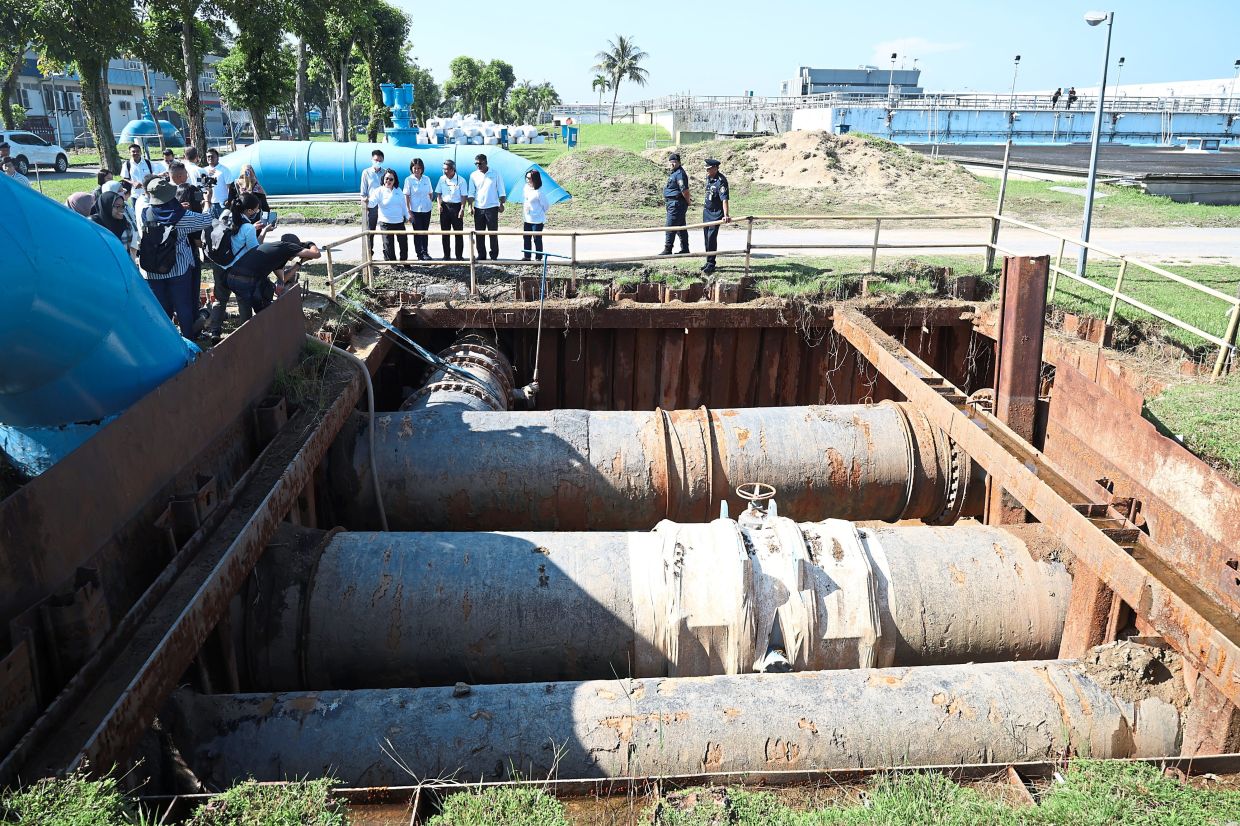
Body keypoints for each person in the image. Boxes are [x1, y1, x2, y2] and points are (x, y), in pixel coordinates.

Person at [139, 178, 214, 339]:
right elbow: (206, 220)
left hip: (153, 270)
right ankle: (188, 340)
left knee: (162, 309)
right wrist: (207, 201)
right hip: (178, 268)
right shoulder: (182, 216)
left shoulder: (145, 212)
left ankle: (165, 341)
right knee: (183, 307)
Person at [226, 233, 321, 320]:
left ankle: (250, 328)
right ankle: (266, 321)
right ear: (293, 246)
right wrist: (310, 244)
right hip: (246, 281)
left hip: (232, 279)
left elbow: (284, 278)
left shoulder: (277, 252)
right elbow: (316, 254)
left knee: (251, 307)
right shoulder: (286, 246)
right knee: (267, 293)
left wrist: (300, 262)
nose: (296, 255)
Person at [468, 153, 505, 261]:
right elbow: (471, 192)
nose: (478, 166)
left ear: (486, 162)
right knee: (479, 233)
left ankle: (494, 255)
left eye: (480, 163)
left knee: (492, 232)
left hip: (492, 207)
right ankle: (481, 255)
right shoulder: (473, 175)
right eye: (476, 164)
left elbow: (501, 189)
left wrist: (502, 204)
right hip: (479, 207)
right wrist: (470, 206)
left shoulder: (495, 173)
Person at [369, 167, 410, 261]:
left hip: (399, 222)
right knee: (389, 245)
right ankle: (393, 263)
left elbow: (403, 205)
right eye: (386, 178)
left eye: (391, 179)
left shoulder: (398, 190)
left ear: (394, 180)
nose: (388, 181)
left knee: (403, 243)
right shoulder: (379, 191)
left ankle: (405, 262)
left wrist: (408, 216)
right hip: (385, 223)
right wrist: (366, 201)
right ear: (383, 179)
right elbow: (372, 203)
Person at [700, 158, 730, 276]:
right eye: (706, 169)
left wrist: (726, 215)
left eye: (709, 169)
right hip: (707, 212)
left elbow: (724, 199)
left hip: (716, 213)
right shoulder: (709, 178)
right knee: (706, 238)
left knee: (711, 237)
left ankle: (711, 263)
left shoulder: (721, 181)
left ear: (715, 168)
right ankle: (708, 261)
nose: (707, 171)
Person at [434, 159, 468, 260]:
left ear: (453, 169)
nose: (445, 171)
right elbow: (438, 194)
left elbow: (464, 196)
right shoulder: (441, 179)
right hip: (445, 207)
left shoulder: (461, 180)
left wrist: (462, 209)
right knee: (445, 233)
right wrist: (439, 205)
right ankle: (446, 255)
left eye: (447, 169)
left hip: (456, 207)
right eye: (443, 169)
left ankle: (459, 256)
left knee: (458, 233)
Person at [402, 158, 434, 261]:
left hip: (426, 209)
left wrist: (429, 202)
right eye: (415, 168)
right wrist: (408, 211)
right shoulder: (409, 180)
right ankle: (419, 254)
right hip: (415, 210)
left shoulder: (426, 179)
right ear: (411, 169)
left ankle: (425, 252)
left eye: (419, 168)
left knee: (425, 232)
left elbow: (430, 192)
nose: (417, 170)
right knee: (418, 232)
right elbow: (406, 196)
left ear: (422, 168)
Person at [660, 152, 691, 255]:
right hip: (672, 203)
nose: (672, 164)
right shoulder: (674, 173)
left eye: (674, 162)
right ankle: (685, 249)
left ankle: (668, 249)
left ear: (678, 162)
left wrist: (688, 201)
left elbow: (684, 190)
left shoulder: (679, 174)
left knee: (670, 226)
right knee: (681, 227)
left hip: (676, 204)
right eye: (670, 162)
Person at [359, 149, 385, 258]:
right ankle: (369, 254)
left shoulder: (385, 172)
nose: (377, 162)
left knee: (385, 231)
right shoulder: (366, 172)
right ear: (372, 159)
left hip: (384, 205)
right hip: (372, 205)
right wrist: (366, 203)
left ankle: (387, 254)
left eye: (380, 160)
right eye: (376, 160)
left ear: (383, 160)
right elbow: (363, 192)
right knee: (370, 231)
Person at [522, 169, 549, 261]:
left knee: (537, 239)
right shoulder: (526, 187)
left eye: (529, 178)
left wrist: (537, 212)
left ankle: (538, 257)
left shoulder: (539, 192)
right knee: (526, 238)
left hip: (537, 219)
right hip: (527, 218)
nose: (527, 180)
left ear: (535, 179)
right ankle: (527, 256)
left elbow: (546, 206)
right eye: (526, 177)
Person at [202, 148, 234, 217]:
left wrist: (229, 201)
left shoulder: (224, 170)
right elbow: (203, 186)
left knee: (223, 226)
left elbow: (230, 187)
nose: (210, 158)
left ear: (218, 158)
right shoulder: (204, 170)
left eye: (212, 156)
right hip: (208, 204)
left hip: (222, 204)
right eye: (208, 156)